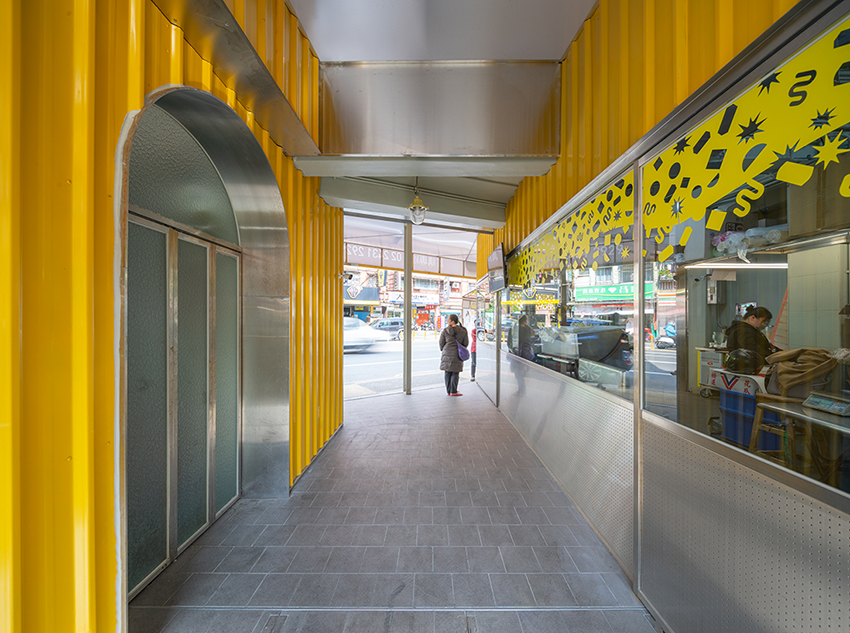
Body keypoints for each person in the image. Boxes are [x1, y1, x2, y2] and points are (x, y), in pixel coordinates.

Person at [439, 314, 469, 396]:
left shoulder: (445, 330)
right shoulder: (463, 331)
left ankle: (448, 391)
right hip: (457, 354)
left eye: (449, 319)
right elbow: (465, 343)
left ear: (452, 321)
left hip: (447, 353)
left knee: (447, 372)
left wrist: (444, 350)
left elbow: (441, 343)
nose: (447, 321)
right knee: (455, 373)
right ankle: (453, 391)